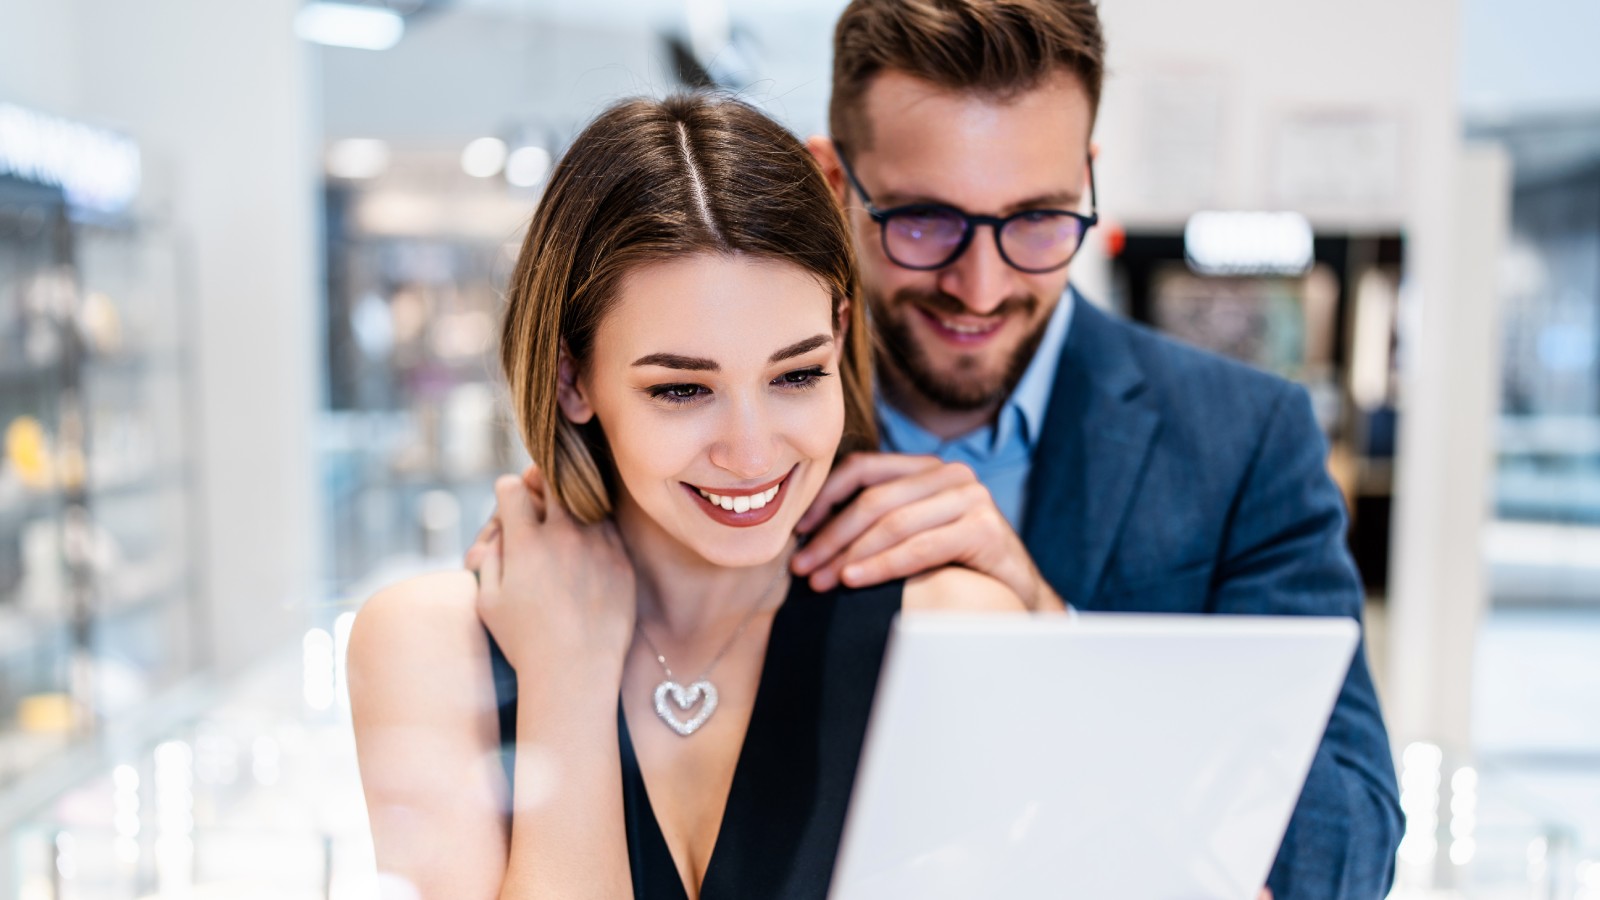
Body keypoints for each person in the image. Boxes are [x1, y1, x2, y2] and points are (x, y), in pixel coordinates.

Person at [781, 1, 1404, 898]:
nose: (981, 287)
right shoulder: (733, 440)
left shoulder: (1242, 440)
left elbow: (1344, 847)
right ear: (831, 179)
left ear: (1087, 180)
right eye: (924, 221)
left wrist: (1049, 631)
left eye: (1037, 219)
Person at [348, 93, 1023, 900]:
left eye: (797, 374)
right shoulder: (430, 648)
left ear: (840, 338)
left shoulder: (951, 635)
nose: (751, 451)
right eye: (681, 390)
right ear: (573, 378)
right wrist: (567, 684)